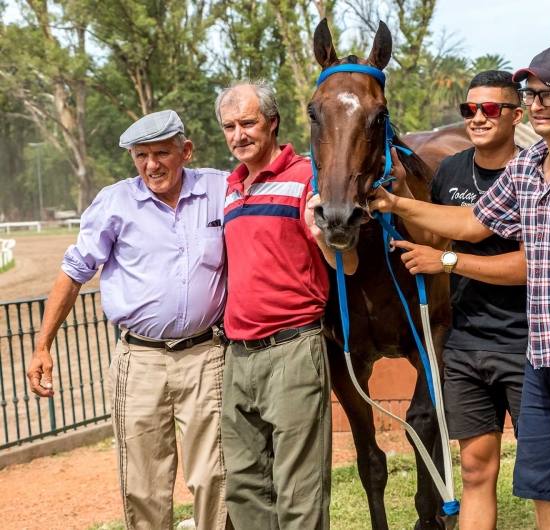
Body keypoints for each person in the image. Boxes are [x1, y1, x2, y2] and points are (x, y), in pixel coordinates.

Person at [370, 46, 550, 530]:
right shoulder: (528, 168)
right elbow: (471, 221)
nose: (540, 104)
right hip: (542, 358)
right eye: (532, 94)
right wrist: (394, 203)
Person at [27, 110, 230, 530]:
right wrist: (43, 345)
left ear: (185, 151)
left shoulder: (219, 188)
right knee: (143, 483)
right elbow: (73, 271)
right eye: (141, 156)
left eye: (161, 153)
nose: (151, 165)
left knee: (215, 475)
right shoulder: (115, 202)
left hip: (207, 355)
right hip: (139, 361)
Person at [374, 70, 528, 530]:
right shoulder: (452, 170)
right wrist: (401, 194)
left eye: (491, 109)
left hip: (526, 343)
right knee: (475, 470)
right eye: (469, 109)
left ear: (516, 115)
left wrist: (446, 261)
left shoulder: (533, 171)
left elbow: (527, 263)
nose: (477, 117)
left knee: (544, 474)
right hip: (465, 342)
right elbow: (437, 235)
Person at [215, 79, 355, 530]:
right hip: (238, 356)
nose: (239, 135)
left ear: (272, 123)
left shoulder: (307, 178)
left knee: (299, 492)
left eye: (248, 123)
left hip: (292, 352)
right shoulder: (232, 189)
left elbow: (347, 266)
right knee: (245, 486)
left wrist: (328, 238)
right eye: (229, 126)